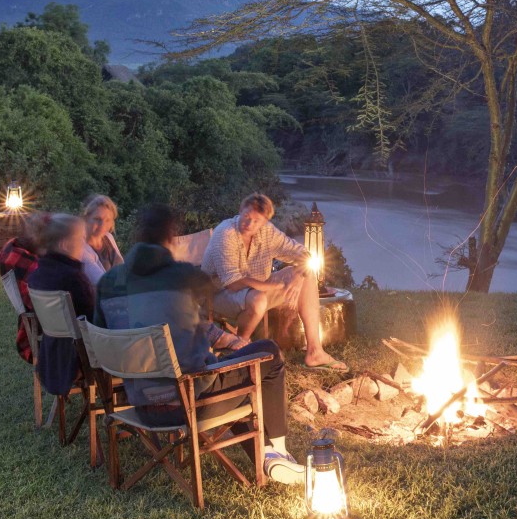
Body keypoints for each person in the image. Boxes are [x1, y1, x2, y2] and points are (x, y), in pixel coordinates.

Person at [95, 203, 303, 484]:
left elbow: (106, 340)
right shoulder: (185, 278)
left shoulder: (107, 284)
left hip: (139, 401)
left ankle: (267, 456)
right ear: (171, 238)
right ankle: (277, 452)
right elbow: (205, 310)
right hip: (190, 402)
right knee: (267, 354)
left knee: (234, 372)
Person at [201, 192, 347, 370]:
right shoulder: (225, 233)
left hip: (255, 290)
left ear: (264, 221)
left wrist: (297, 276)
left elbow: (302, 253)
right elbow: (233, 283)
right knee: (259, 299)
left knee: (307, 276)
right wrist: (270, 286)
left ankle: (315, 352)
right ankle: (241, 348)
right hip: (218, 295)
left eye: (257, 221)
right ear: (240, 211)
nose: (249, 224)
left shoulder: (267, 232)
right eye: (246, 217)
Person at [27, 213, 96, 397]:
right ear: (65, 245)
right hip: (81, 360)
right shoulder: (73, 278)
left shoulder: (37, 275)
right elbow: (93, 320)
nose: (85, 244)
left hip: (53, 358)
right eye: (81, 239)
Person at [0, 213, 47, 363]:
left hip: (37, 324)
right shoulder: (29, 264)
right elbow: (45, 304)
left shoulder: (12, 248)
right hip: (47, 327)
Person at [81, 194, 124, 274]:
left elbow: (122, 267)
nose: (102, 225)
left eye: (107, 220)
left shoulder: (108, 237)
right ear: (86, 218)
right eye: (97, 219)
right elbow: (99, 281)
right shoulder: (81, 246)